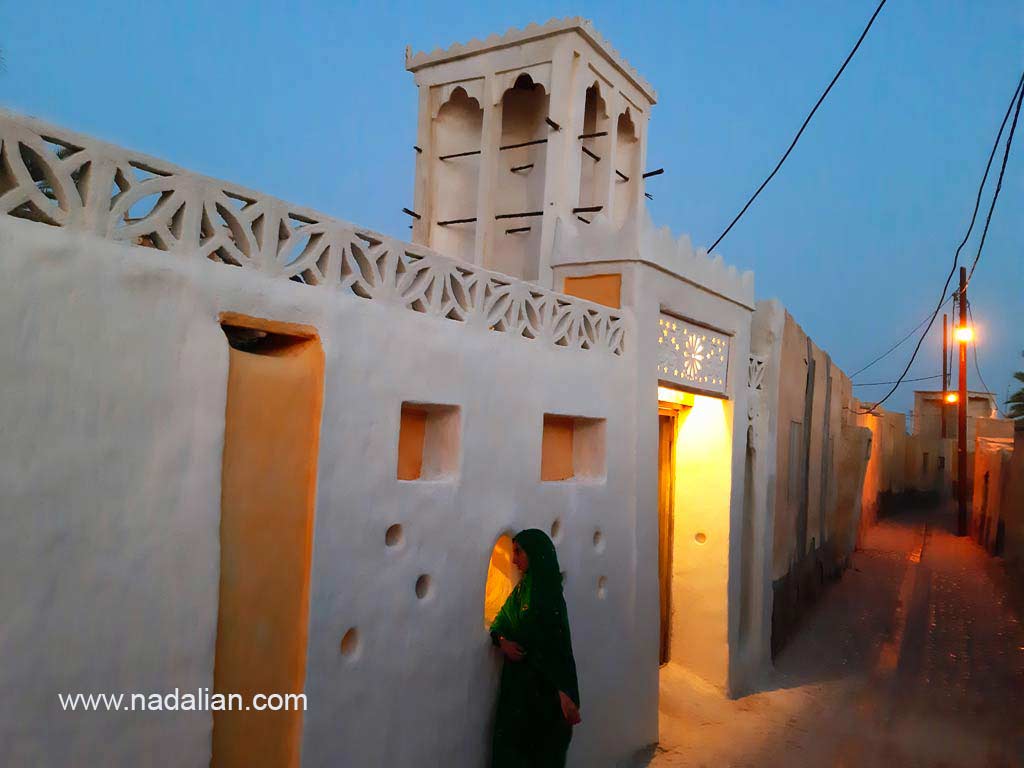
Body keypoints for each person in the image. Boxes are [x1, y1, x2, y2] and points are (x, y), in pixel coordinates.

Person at [489, 529, 581, 768]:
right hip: (518, 692)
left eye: (519, 552)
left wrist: (565, 691)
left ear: (536, 554)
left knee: (542, 754)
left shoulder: (550, 597)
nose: (514, 559)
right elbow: (502, 621)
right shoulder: (522, 590)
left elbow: (559, 649)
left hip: (545, 697)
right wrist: (502, 641)